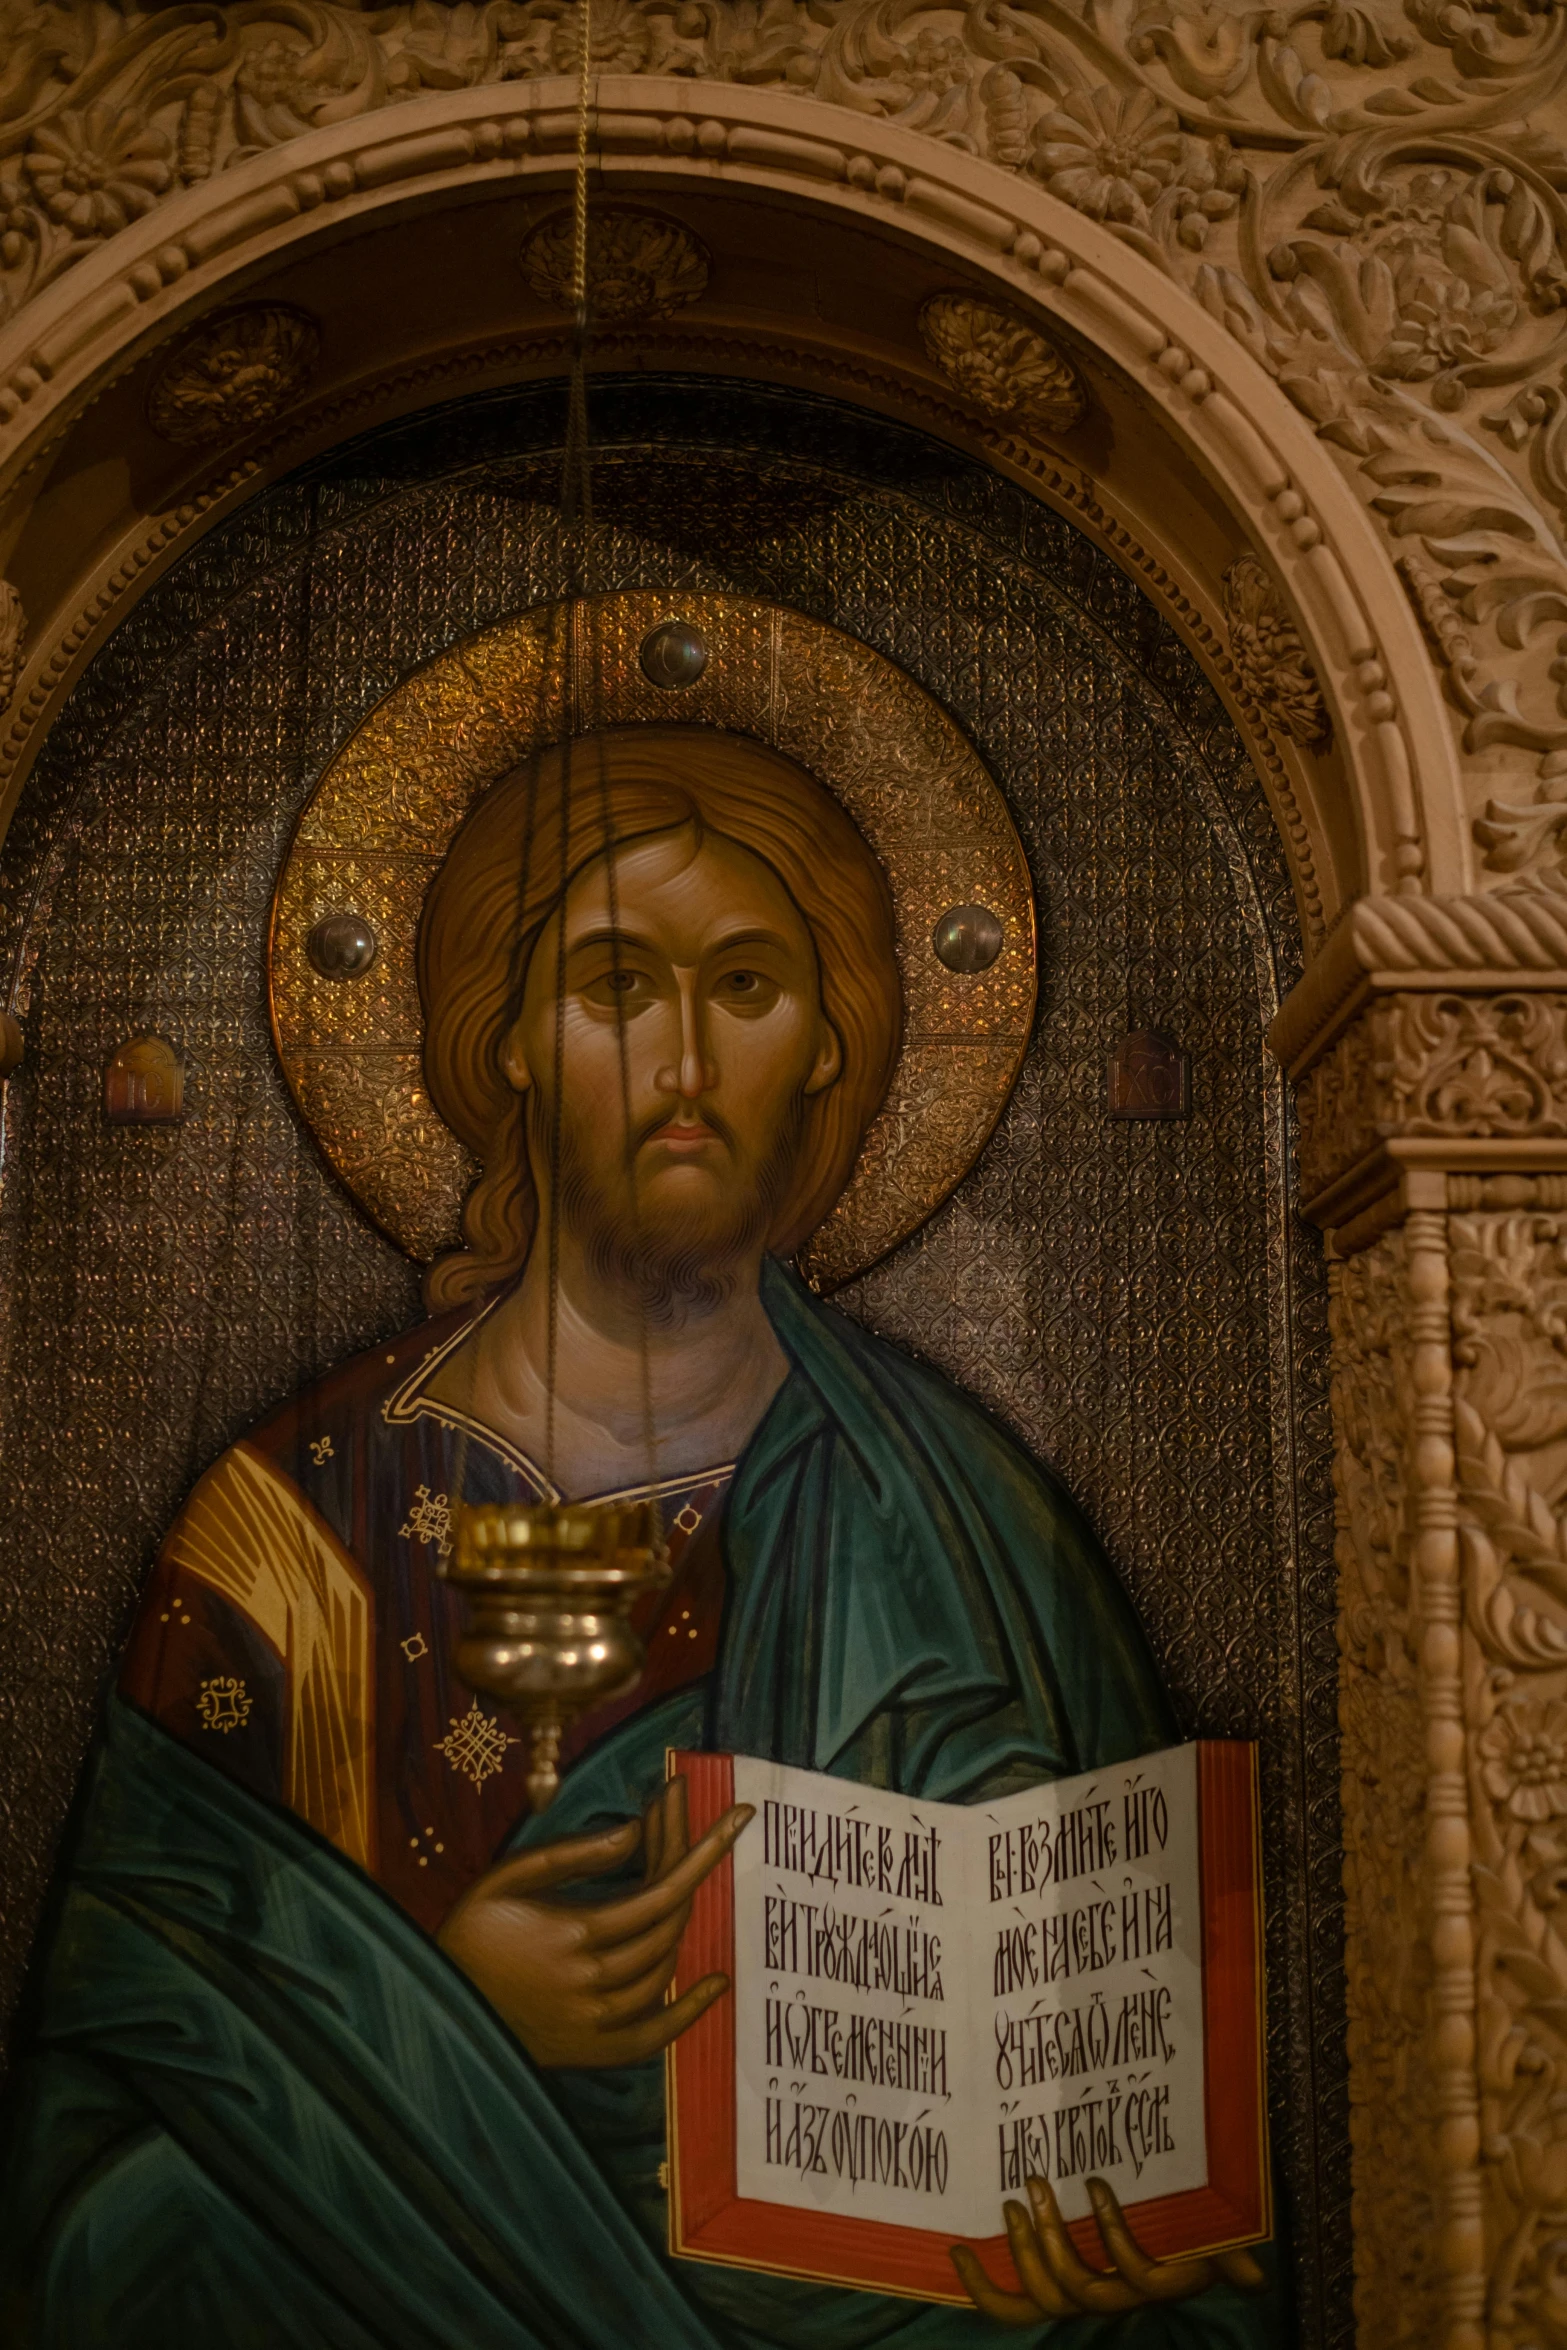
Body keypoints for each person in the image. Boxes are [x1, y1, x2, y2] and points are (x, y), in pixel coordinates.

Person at [0, 729, 1275, 2345]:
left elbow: (1113, 2086)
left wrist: (1103, 2236)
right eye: (616, 987)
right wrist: (447, 2016)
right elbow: (108, 2144)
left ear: (827, 1042)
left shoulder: (967, 1521)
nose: (683, 1058)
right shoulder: (296, 1523)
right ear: (507, 1037)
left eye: (744, 987)